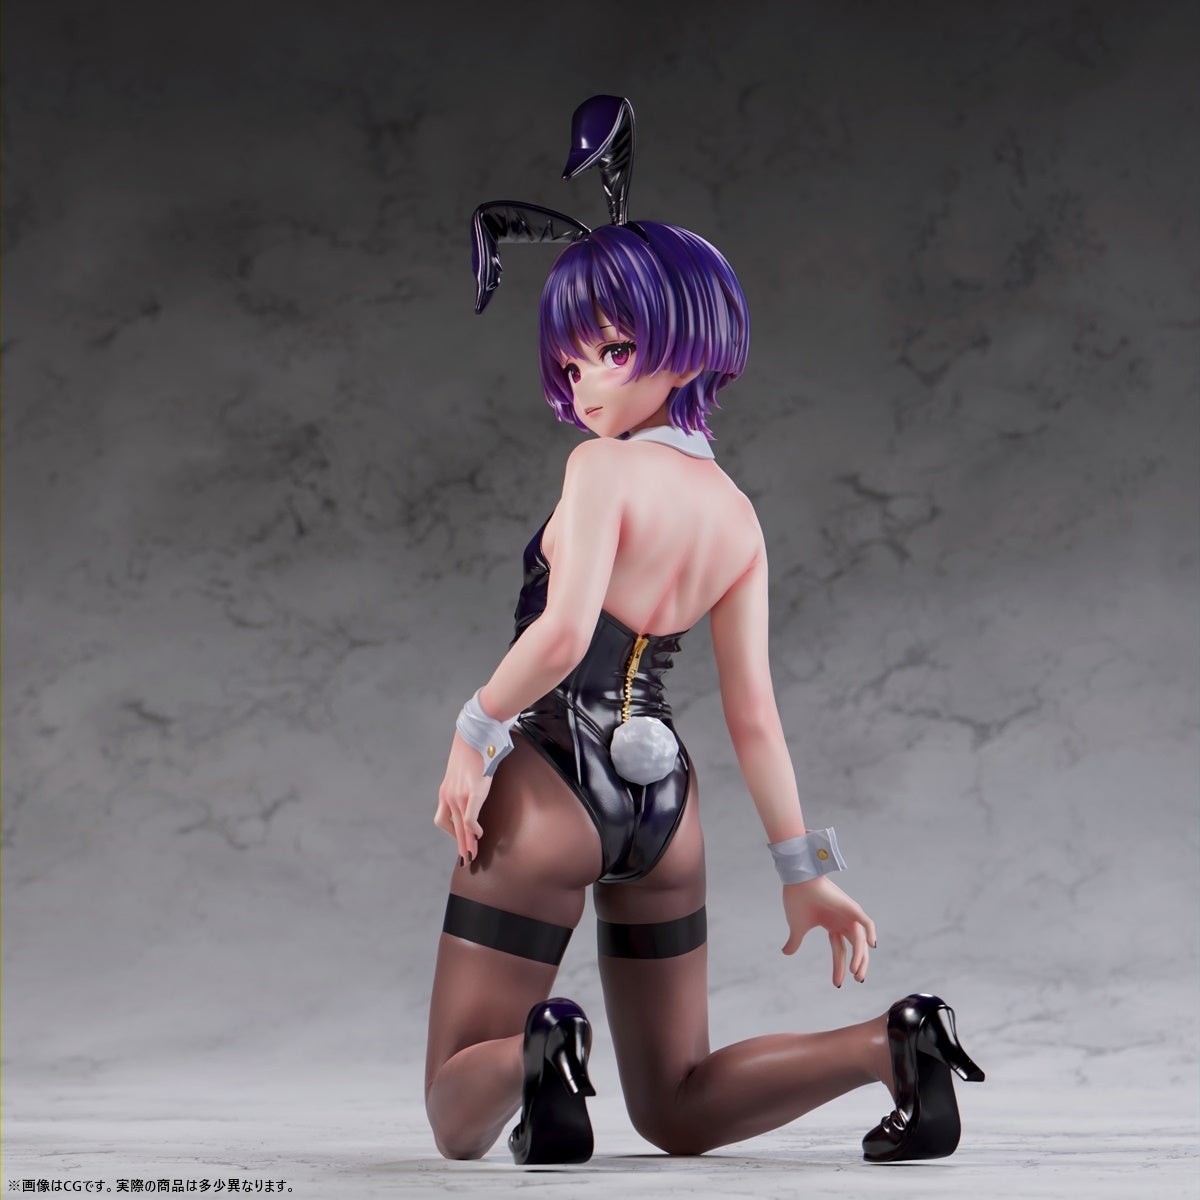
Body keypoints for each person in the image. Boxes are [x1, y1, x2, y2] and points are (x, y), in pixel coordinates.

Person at [425, 95, 983, 1167]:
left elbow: (563, 638)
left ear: (687, 346)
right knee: (676, 1107)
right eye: (572, 364)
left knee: (455, 1108)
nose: (587, 382)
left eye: (612, 349)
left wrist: (473, 731)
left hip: (551, 783)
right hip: (666, 809)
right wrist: (803, 869)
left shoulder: (600, 469)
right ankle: (894, 1044)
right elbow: (754, 716)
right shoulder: (736, 514)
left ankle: (542, 1052)